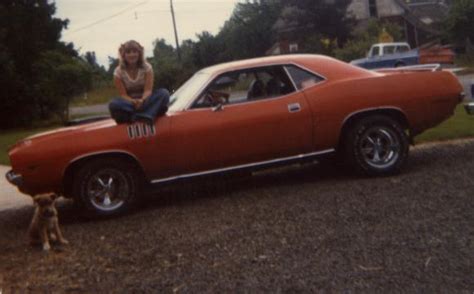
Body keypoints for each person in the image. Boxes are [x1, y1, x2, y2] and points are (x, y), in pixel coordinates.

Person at [109, 40, 169, 124]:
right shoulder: (118, 72)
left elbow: (148, 90)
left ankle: (141, 116)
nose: (132, 55)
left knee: (164, 93)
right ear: (124, 55)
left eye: (135, 51)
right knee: (114, 104)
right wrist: (133, 102)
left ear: (139, 53)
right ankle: (147, 114)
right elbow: (123, 95)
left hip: (146, 101)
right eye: (128, 52)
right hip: (129, 104)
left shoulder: (147, 68)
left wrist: (142, 100)